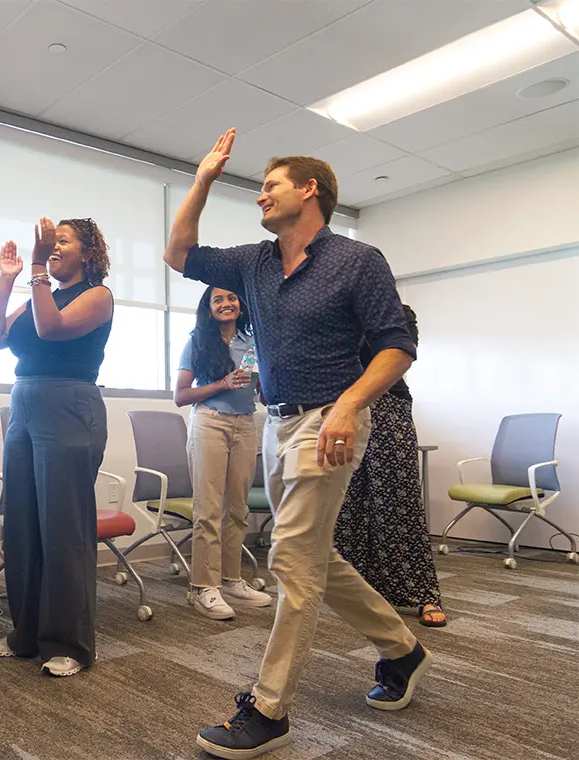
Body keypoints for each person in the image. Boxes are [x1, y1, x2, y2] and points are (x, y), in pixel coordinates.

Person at [165, 128, 430, 759]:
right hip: (279, 423)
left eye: (270, 185)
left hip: (331, 423)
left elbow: (399, 346)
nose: (259, 195)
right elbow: (179, 253)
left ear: (309, 191)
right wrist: (201, 179)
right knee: (312, 555)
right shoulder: (255, 262)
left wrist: (348, 405)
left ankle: (269, 708)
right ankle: (403, 648)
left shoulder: (357, 262)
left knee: (289, 560)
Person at [0, 216, 113, 678]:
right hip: (25, 403)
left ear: (88, 253)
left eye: (63, 241)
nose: (53, 247)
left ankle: (69, 644)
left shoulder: (97, 296)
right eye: (50, 242)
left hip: (69, 403)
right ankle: (26, 634)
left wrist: (37, 265)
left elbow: (52, 330)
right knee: (21, 523)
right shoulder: (40, 294)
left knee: (63, 527)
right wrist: (6, 278)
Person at [335, 305, 446, 627]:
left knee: (399, 501)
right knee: (348, 503)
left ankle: (423, 593)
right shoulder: (339, 315)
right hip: (340, 410)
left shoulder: (399, 313)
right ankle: (354, 590)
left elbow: (399, 356)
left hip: (387, 406)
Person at [174, 286, 271, 619]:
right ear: (209, 307)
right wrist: (223, 384)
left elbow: (261, 389)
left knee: (238, 508)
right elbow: (181, 395)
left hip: (246, 424)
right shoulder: (198, 342)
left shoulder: (253, 342)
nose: (226, 303)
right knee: (209, 508)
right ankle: (202, 587)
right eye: (218, 300)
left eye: (231, 298)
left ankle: (231, 579)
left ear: (240, 304)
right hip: (210, 423)